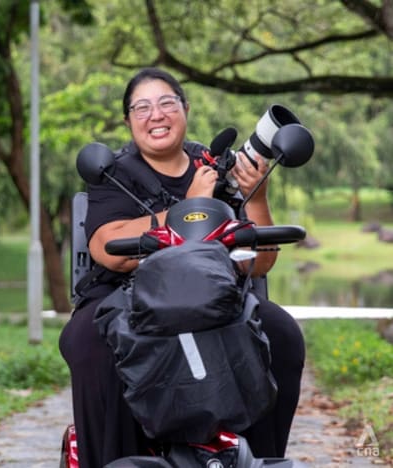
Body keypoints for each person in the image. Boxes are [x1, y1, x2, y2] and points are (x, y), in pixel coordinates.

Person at [58, 67, 306, 467]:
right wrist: (187, 206)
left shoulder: (216, 168)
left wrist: (256, 194)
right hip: (127, 297)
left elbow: (260, 262)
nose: (155, 115)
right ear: (128, 121)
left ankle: (260, 458)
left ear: (185, 109)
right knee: (89, 343)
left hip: (214, 294)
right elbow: (106, 247)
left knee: (281, 334)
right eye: (142, 107)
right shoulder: (113, 173)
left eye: (166, 103)